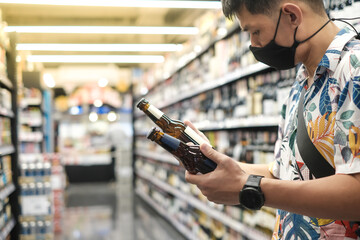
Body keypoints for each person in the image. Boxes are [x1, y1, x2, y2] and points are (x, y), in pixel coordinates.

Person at [184, 0, 360, 239]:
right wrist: (212, 160)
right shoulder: (301, 80)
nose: (253, 45)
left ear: (292, 16)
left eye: (255, 31)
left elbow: (356, 191)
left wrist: (249, 189)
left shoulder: (354, 70)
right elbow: (284, 172)